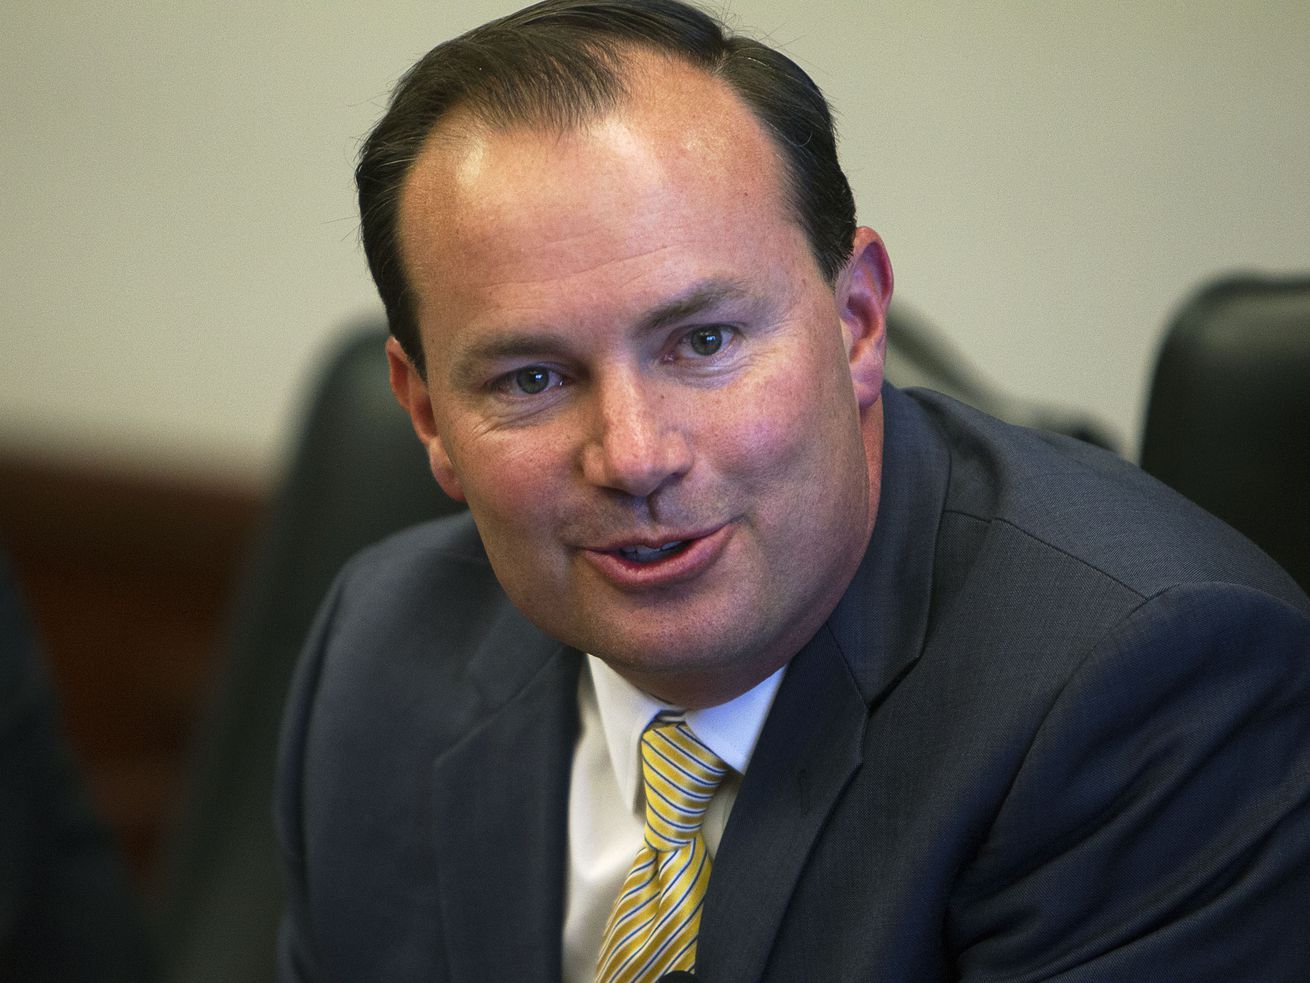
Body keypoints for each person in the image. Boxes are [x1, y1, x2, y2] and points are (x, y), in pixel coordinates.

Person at [275, 1, 1310, 980]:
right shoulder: (383, 649)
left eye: (704, 341)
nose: (633, 455)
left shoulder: (1142, 690)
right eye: (531, 379)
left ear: (857, 320)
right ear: (425, 414)